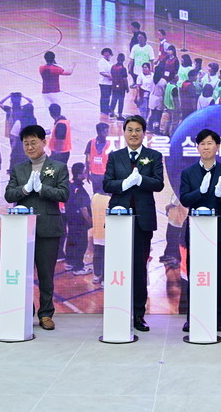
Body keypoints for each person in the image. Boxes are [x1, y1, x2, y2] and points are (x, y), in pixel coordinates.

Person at [103, 115, 165, 332]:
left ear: (144, 133)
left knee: (139, 269)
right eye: (130, 130)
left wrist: (141, 180)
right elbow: (107, 184)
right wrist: (125, 183)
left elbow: (158, 183)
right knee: (117, 267)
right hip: (118, 220)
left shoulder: (153, 156)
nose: (133, 134)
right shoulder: (115, 156)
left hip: (142, 220)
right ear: (124, 132)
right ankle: (117, 311)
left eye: (138, 130)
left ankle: (138, 315)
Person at [4, 124, 69, 330]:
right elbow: (9, 195)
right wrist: (24, 189)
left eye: (34, 142)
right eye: (26, 144)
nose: (30, 147)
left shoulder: (58, 167)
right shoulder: (18, 169)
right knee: (23, 273)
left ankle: (46, 314)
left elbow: (64, 194)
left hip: (48, 227)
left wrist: (42, 189)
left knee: (46, 274)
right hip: (22, 230)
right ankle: (25, 310)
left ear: (44, 142)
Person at [179, 129, 221, 332]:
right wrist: (200, 191)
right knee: (195, 275)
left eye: (210, 143)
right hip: (196, 232)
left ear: (217, 147)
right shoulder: (188, 173)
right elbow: (185, 199)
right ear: (197, 147)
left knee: (217, 275)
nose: (206, 147)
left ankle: (218, 318)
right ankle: (192, 317)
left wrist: (220, 194)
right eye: (202, 144)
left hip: (219, 232)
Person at [65, 162, 93, 275]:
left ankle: (69, 263)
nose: (86, 173)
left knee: (71, 240)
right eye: (84, 172)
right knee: (81, 243)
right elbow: (83, 209)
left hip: (70, 219)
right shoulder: (80, 190)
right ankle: (78, 268)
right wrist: (90, 221)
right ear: (79, 174)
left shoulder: (69, 184)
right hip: (80, 221)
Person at [84, 122, 111, 194]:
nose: (107, 134)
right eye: (105, 132)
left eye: (108, 132)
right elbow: (87, 158)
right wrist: (87, 171)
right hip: (95, 175)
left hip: (106, 175)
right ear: (99, 132)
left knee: (106, 195)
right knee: (96, 194)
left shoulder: (110, 144)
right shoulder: (91, 143)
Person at [90, 190, 110, 284]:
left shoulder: (95, 197)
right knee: (106, 257)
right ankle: (104, 280)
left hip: (97, 232)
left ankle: (96, 276)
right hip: (107, 234)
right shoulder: (110, 200)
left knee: (97, 255)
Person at [110, 53, 129, 121]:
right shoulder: (123, 69)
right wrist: (127, 87)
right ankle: (120, 115)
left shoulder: (113, 67)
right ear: (123, 60)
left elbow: (111, 76)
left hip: (114, 86)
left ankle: (112, 112)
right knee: (121, 101)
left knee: (114, 99)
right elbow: (125, 79)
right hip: (121, 87)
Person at [97, 47, 114, 115]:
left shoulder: (109, 62)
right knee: (104, 96)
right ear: (103, 54)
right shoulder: (101, 62)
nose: (107, 55)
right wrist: (110, 76)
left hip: (109, 82)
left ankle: (107, 108)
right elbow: (101, 72)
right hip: (104, 83)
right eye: (105, 53)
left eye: (108, 53)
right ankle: (103, 110)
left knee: (108, 96)